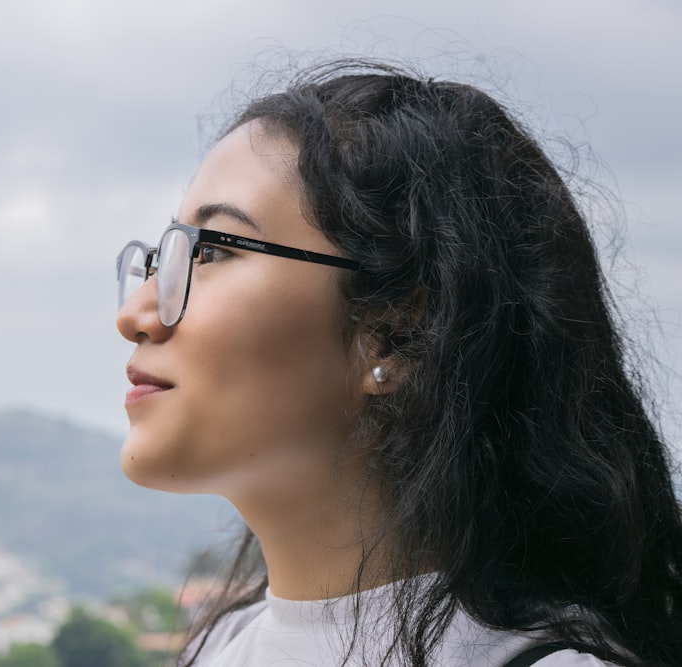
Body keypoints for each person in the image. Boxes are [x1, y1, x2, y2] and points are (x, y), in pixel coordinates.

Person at [114, 60, 682, 667]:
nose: (138, 313)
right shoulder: (214, 650)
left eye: (216, 250)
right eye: (162, 256)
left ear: (395, 336)